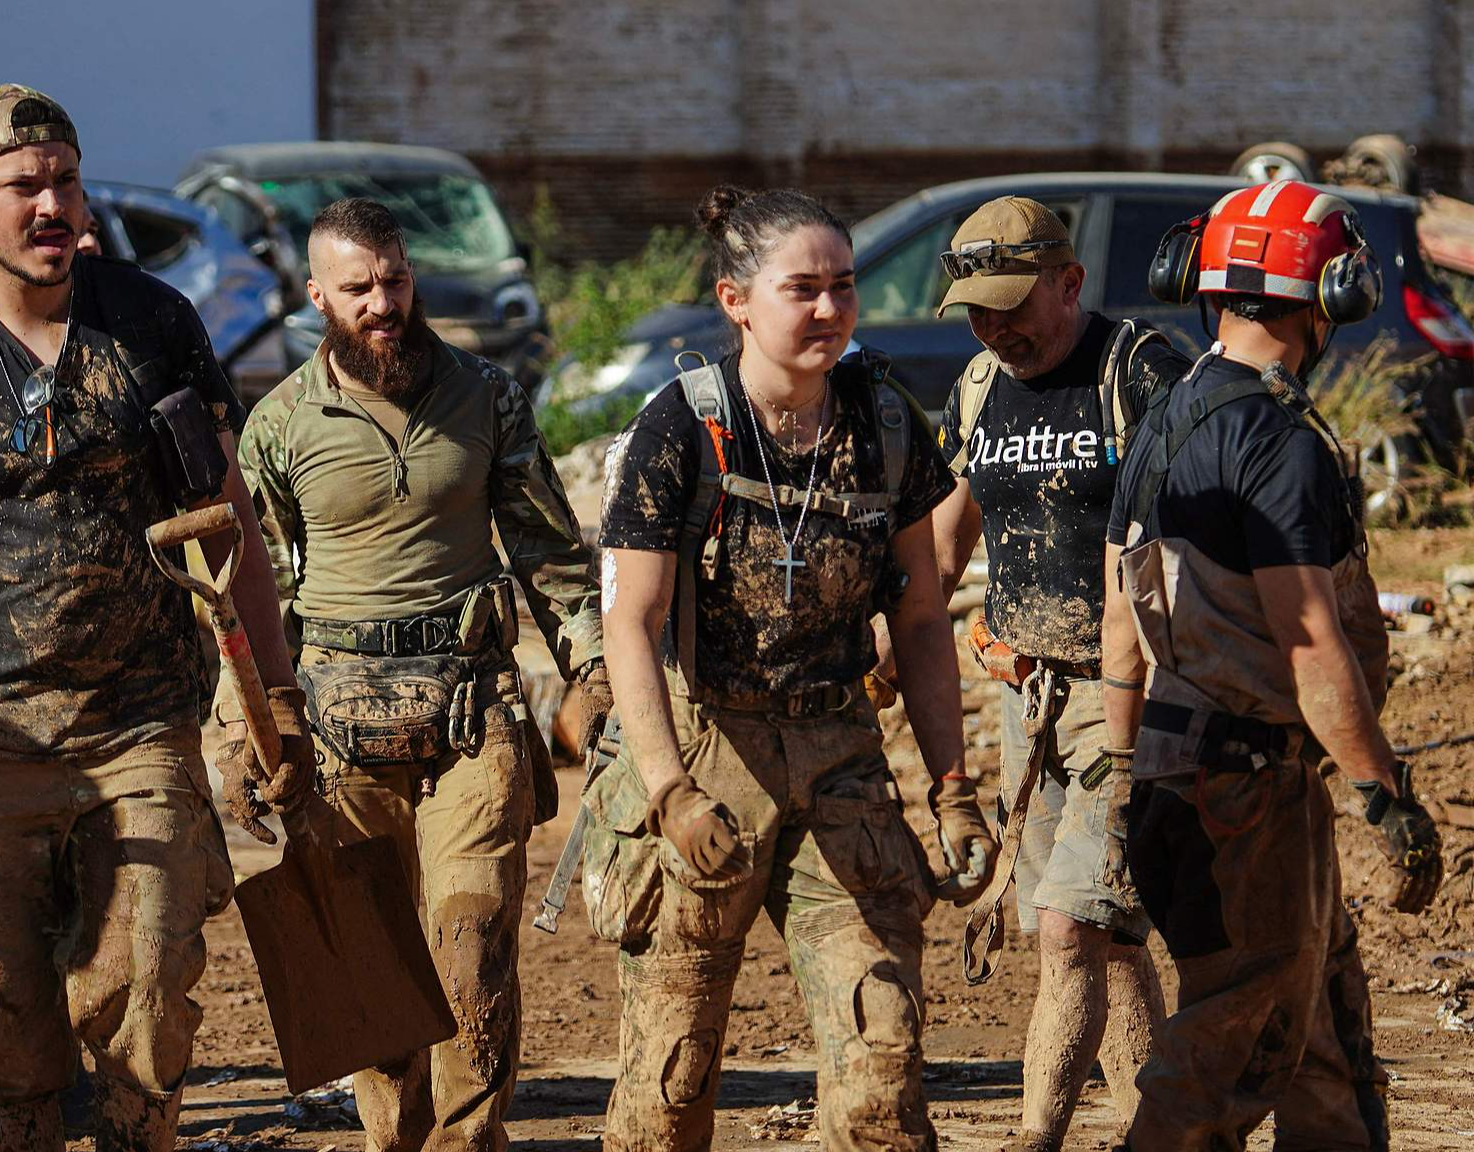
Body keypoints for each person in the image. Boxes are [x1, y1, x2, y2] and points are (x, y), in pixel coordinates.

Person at [0, 84, 311, 1152]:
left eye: (65, 181)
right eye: (22, 185)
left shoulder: (150, 325)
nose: (51, 205)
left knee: (144, 1003)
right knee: (1, 1045)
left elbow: (226, 529)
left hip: (137, 731)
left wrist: (274, 698)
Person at [591, 185, 992, 1152]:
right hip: (706, 751)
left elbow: (924, 618)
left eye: (844, 287)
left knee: (883, 1058)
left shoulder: (888, 424)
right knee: (671, 1081)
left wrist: (952, 789)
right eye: (801, 289)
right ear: (736, 300)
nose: (828, 309)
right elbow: (630, 625)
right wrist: (670, 795)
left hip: (840, 754)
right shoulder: (680, 428)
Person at [235, 197, 607, 1152]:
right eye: (356, 288)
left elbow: (550, 553)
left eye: (395, 280)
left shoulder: (486, 396)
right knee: (373, 976)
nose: (382, 304)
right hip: (333, 734)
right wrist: (244, 727)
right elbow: (248, 589)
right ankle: (387, 1140)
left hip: (471, 714)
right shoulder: (278, 426)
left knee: (471, 951)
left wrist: (594, 672)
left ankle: (467, 1143)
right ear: (317, 295)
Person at [1102, 179, 1445, 1151]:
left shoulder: (1160, 424)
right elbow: (1308, 645)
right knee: (1231, 1046)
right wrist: (1386, 796)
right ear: (1331, 293)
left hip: (1187, 776)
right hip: (1243, 797)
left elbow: (1117, 630)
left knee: (1321, 1034)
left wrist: (1110, 779)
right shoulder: (1279, 442)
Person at [922, 196, 1182, 1149]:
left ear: (1069, 282)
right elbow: (947, 547)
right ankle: (1166, 1129)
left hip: (1131, 703)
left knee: (1074, 930)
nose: (996, 329)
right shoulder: (980, 388)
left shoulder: (1140, 373)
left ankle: (1035, 1140)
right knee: (1089, 933)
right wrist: (900, 638)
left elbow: (1191, 540)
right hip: (1029, 702)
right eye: (978, 312)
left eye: (1012, 305)